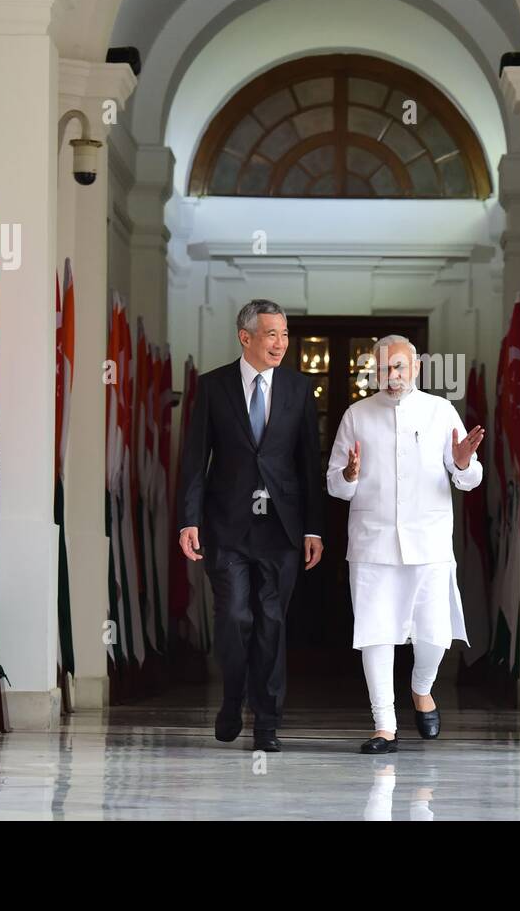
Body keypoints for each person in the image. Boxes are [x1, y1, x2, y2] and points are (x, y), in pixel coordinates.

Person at [177, 299, 324, 752]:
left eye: (283, 334)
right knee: (236, 616)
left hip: (281, 529)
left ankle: (266, 721)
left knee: (271, 624)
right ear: (246, 338)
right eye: (270, 335)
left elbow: (308, 464)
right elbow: (194, 460)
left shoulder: (300, 390)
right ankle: (232, 696)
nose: (280, 343)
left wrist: (313, 529)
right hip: (227, 526)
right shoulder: (212, 387)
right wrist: (189, 519)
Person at [326, 335, 484, 754]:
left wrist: (465, 461)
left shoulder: (440, 411)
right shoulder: (357, 415)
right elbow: (335, 485)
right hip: (372, 543)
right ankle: (384, 726)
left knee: (434, 634)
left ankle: (421, 688)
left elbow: (466, 478)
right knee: (375, 635)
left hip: (429, 541)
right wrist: (350, 474)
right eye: (381, 368)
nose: (390, 375)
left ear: (415, 368)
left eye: (398, 367)